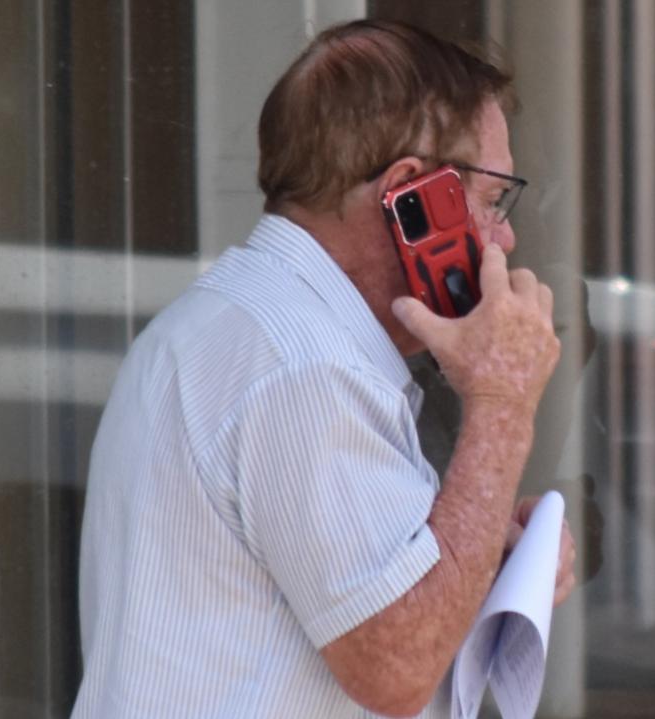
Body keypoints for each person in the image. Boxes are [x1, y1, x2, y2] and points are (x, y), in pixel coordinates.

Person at [72, 19, 575, 719]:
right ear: (412, 196)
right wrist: (502, 402)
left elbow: (342, 608)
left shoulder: (249, 327)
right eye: (491, 200)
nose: (506, 236)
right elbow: (395, 668)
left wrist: (482, 553)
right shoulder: (302, 367)